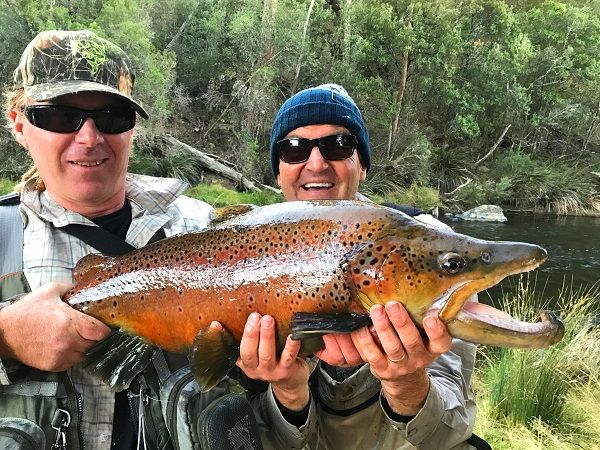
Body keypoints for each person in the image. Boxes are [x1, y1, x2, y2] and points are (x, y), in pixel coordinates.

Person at [0, 29, 271, 450]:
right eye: (59, 116)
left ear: (132, 131)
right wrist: (5, 336)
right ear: (19, 123)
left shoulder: (207, 228)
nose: (89, 137)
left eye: (111, 117)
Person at [233, 84, 486, 450]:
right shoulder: (242, 253)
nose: (316, 163)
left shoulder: (434, 251)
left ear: (363, 164)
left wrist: (406, 384)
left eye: (338, 145)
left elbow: (449, 431)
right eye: (294, 148)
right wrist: (288, 392)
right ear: (278, 173)